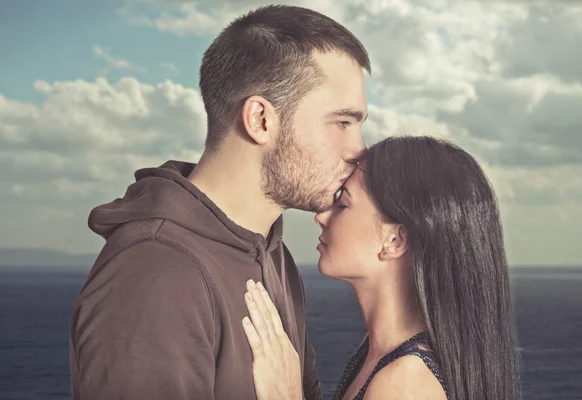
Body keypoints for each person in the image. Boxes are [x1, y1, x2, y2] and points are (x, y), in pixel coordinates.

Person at [69, 5, 371, 400]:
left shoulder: (272, 254)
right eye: (342, 123)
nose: (359, 150)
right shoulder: (156, 274)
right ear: (260, 119)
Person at [240, 136, 521, 400]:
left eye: (343, 204)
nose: (321, 216)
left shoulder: (404, 383)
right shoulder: (379, 354)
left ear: (394, 240)